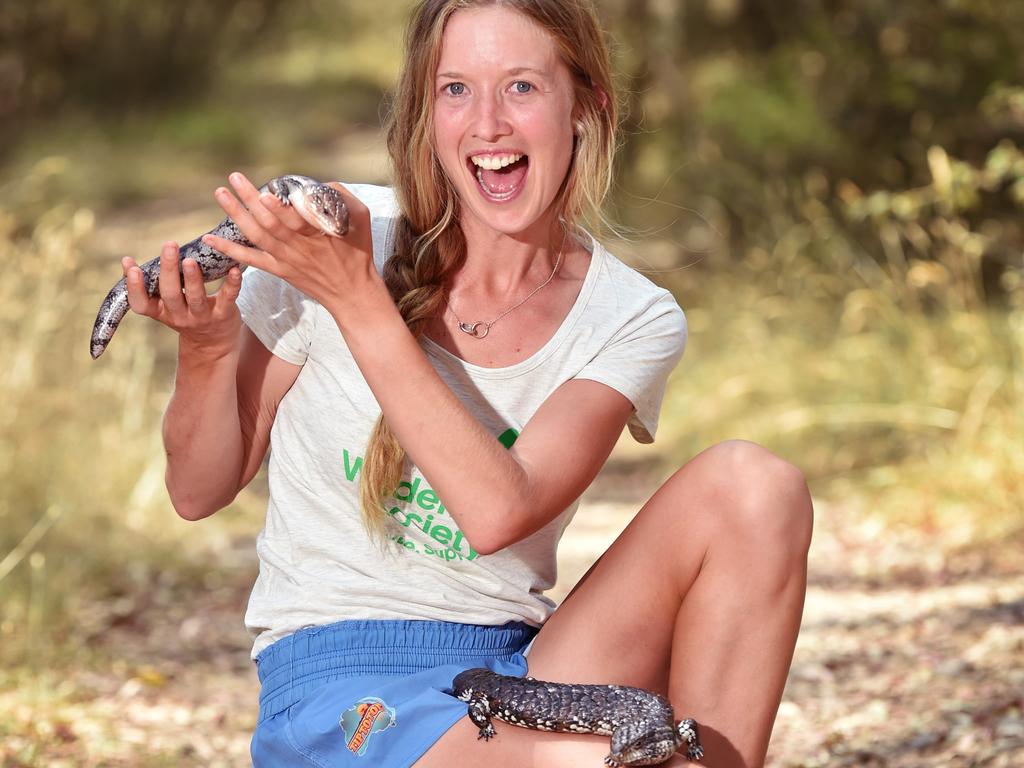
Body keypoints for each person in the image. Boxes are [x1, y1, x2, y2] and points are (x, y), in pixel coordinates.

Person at [121, 1, 813, 765]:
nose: (487, 124)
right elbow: (196, 490)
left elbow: (496, 511)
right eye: (456, 90)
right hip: (346, 690)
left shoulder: (632, 316)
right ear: (426, 111)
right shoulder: (341, 237)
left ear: (586, 106)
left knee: (756, 485)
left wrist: (360, 302)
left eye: (521, 87)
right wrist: (209, 350)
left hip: (518, 675)